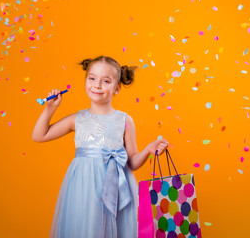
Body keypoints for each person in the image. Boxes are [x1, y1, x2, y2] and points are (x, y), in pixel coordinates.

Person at [32, 56, 169, 238]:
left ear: (117, 88)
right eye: (92, 78)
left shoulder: (125, 120)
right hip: (84, 188)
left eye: (106, 81)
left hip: (119, 191)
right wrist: (50, 108)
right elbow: (39, 136)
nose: (97, 85)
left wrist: (148, 150)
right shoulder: (77, 119)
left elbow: (132, 162)